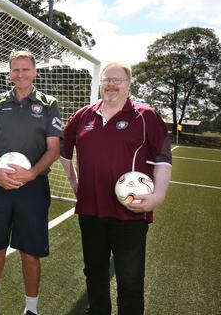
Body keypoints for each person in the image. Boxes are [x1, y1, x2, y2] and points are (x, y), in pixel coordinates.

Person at [60, 61, 172, 315]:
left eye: (117, 80)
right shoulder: (82, 115)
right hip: (90, 210)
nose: (110, 84)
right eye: (106, 79)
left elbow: (163, 158)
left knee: (130, 279)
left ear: (128, 84)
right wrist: (75, 184)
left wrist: (159, 195)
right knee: (94, 273)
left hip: (131, 211)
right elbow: (64, 152)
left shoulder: (146, 116)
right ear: (100, 83)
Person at [0, 50, 63, 315]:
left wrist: (32, 173)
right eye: (15, 69)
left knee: (30, 251)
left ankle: (31, 310)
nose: (20, 74)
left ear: (34, 72)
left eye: (25, 69)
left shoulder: (48, 104)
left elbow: (54, 149)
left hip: (32, 189)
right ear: (9, 72)